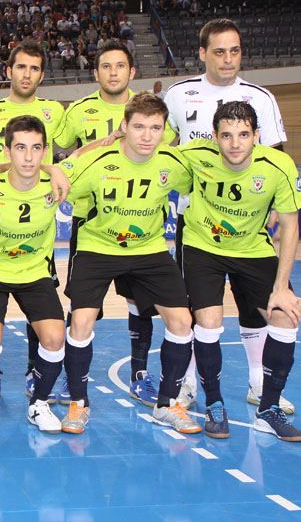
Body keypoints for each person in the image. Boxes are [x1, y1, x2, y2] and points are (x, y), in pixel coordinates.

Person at [164, 18, 290, 411]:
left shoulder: (261, 98)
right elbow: (159, 147)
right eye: (219, 51)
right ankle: (187, 383)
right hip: (197, 222)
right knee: (199, 310)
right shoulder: (179, 95)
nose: (228, 59)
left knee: (255, 307)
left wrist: (274, 205)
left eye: (234, 50)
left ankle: (257, 381)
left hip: (249, 223)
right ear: (202, 53)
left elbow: (277, 155)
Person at [57, 93, 200, 435]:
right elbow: (56, 178)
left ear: (165, 130)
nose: (147, 136)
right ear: (125, 126)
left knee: (182, 321)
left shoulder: (173, 162)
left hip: (149, 249)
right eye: (139, 127)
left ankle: (167, 404)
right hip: (98, 247)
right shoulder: (99, 160)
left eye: (155, 128)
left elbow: (206, 183)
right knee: (81, 321)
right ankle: (78, 403)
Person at [177, 102, 301, 441]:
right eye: (226, 136)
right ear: (214, 137)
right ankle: (214, 404)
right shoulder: (195, 155)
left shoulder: (277, 165)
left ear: (256, 135)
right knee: (208, 322)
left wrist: (281, 287)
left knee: (285, 316)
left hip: (253, 249)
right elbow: (149, 157)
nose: (235, 143)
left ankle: (268, 409)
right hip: (203, 246)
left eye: (243, 135)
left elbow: (291, 227)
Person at [54, 42, 176, 407]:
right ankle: (71, 377)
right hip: (93, 224)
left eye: (120, 66)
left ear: (132, 72)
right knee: (82, 307)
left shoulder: (149, 110)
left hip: (140, 225)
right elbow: (63, 154)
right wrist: (99, 148)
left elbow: (167, 153)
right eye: (106, 66)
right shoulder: (79, 110)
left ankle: (140, 374)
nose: (113, 72)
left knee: (141, 304)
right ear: (96, 73)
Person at [0, 115, 66, 434]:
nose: (28, 157)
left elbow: (85, 157)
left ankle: (39, 404)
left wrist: (54, 168)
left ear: (44, 151)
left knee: (54, 337)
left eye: (36, 148)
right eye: (20, 148)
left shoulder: (56, 183)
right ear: (7, 151)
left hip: (33, 270)